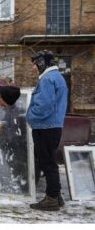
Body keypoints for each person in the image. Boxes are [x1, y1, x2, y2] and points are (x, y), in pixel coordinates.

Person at [27, 50, 68, 211]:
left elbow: (44, 105)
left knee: (47, 163)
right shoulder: (58, 77)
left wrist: (30, 117)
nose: (35, 67)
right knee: (50, 162)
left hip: (44, 127)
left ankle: (51, 199)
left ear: (43, 63)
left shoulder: (47, 79)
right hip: (52, 126)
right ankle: (56, 196)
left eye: (36, 63)